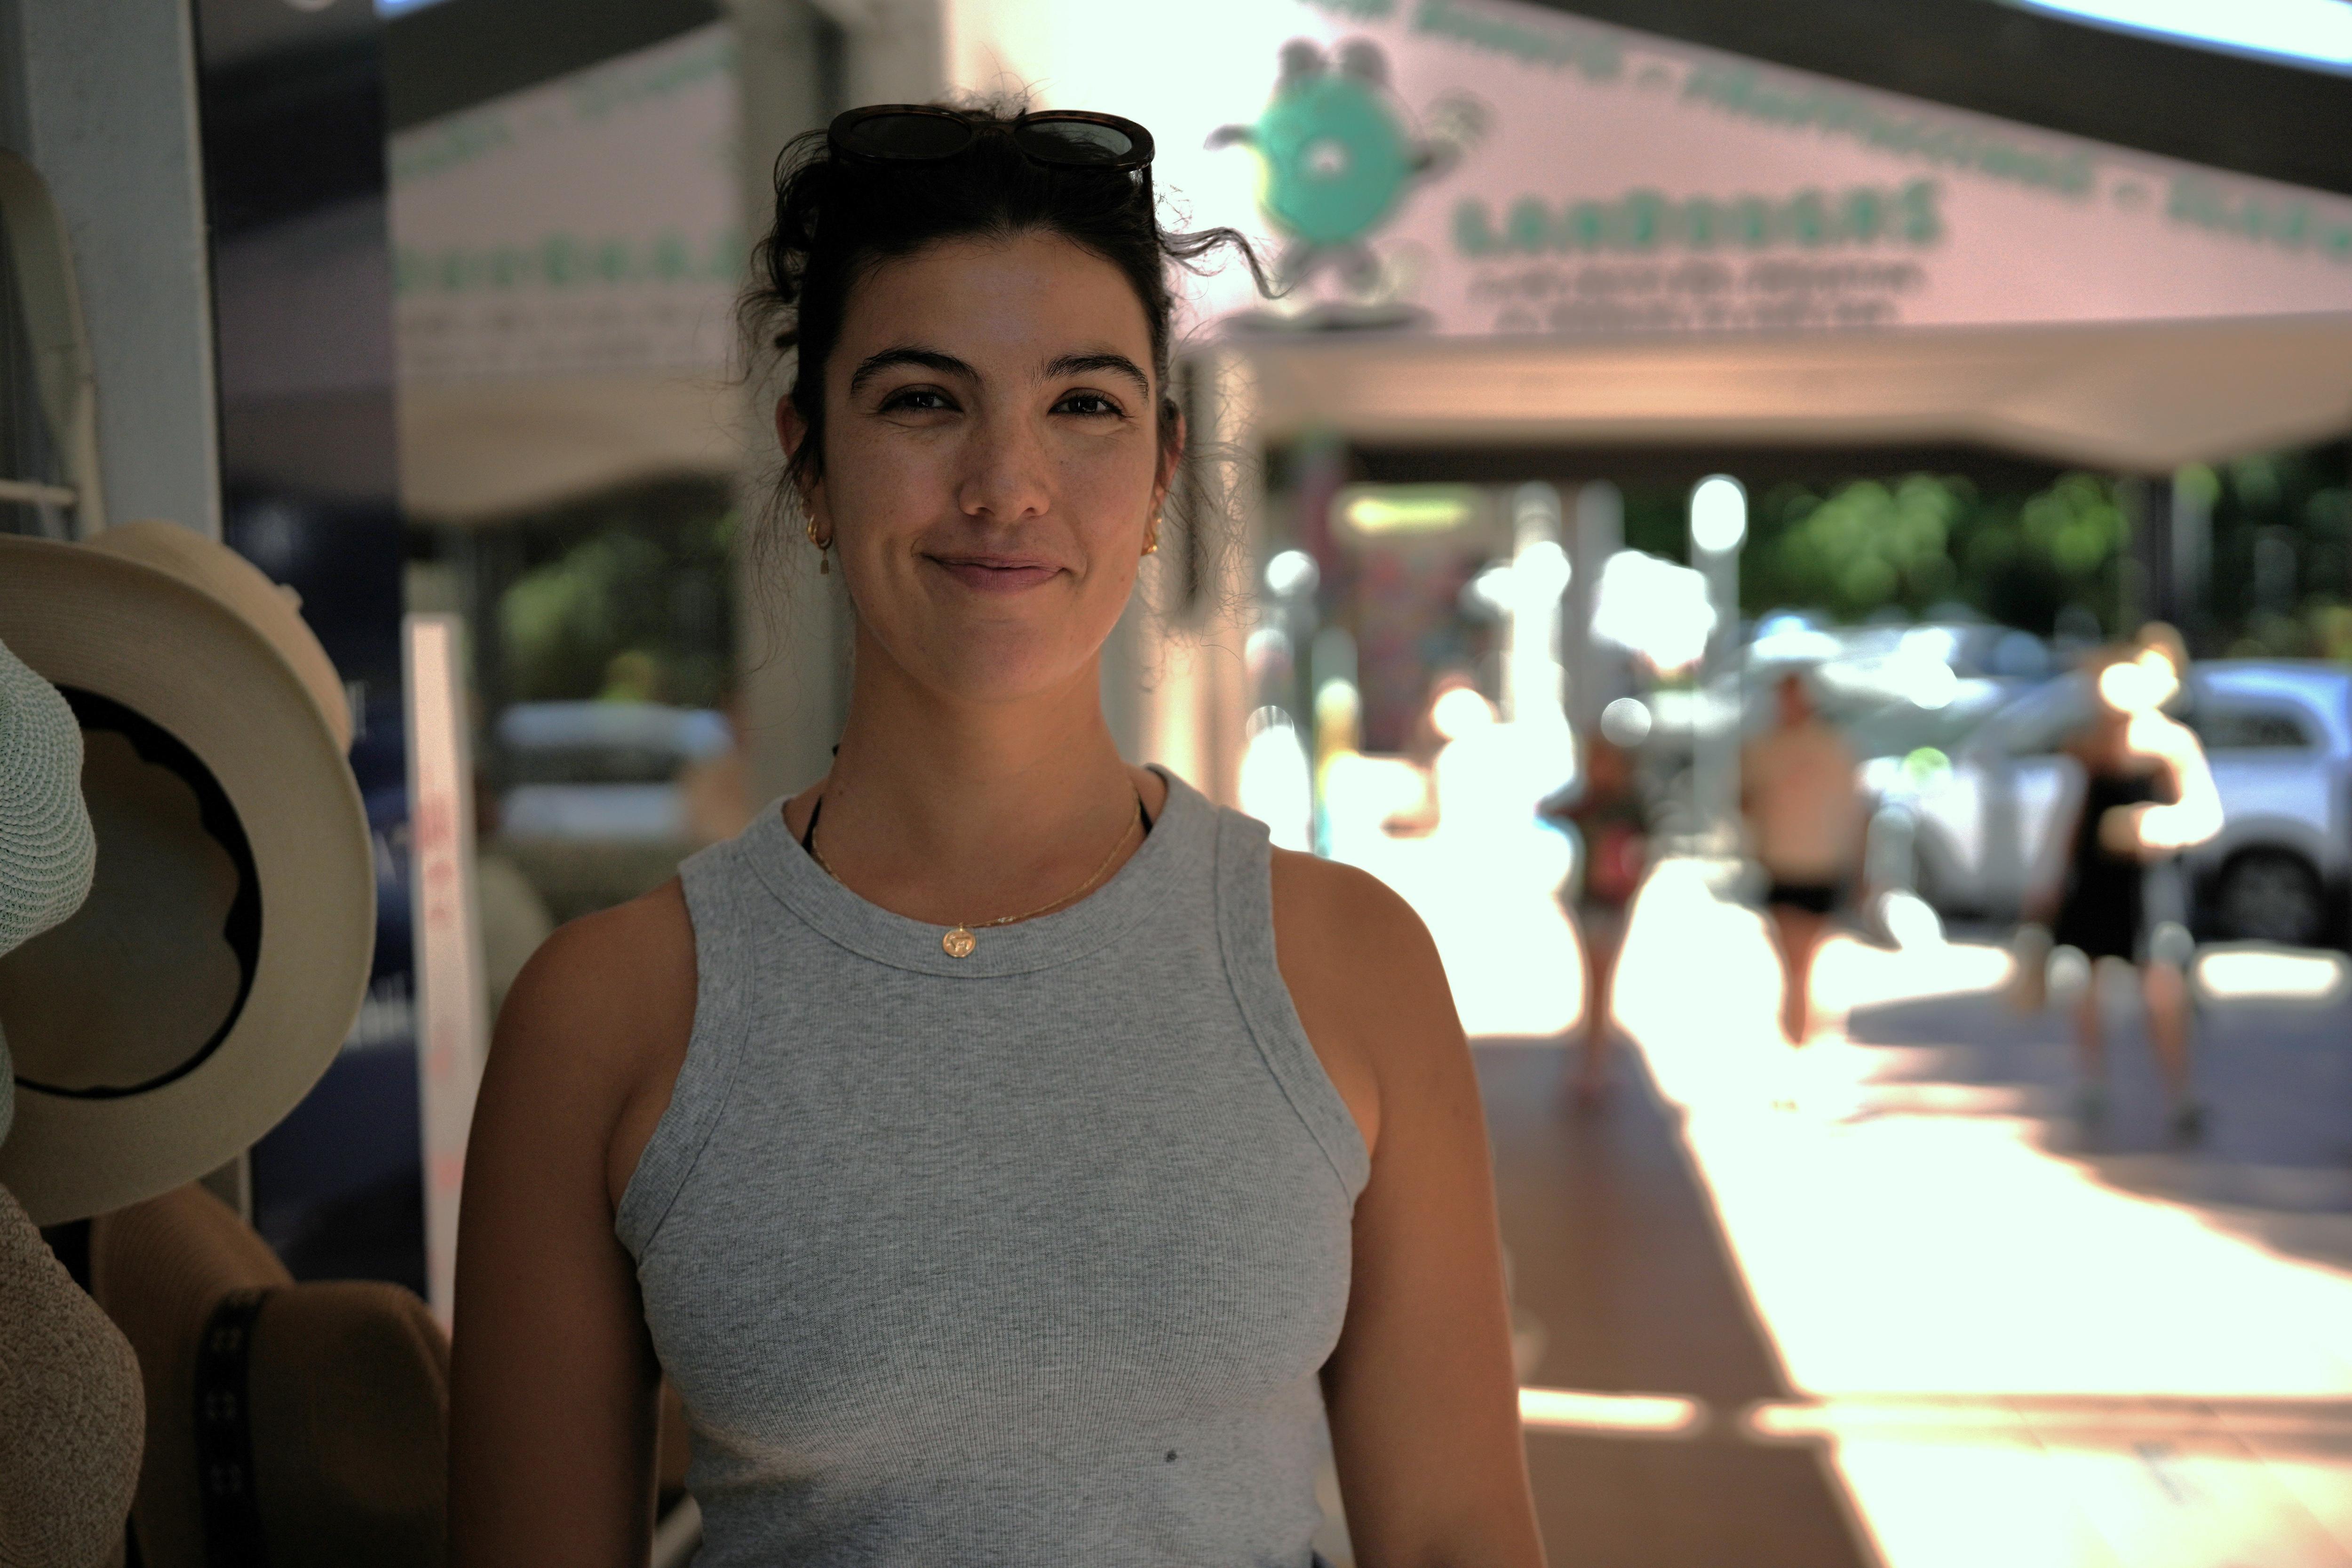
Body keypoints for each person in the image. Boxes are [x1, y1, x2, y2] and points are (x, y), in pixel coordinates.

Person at [452, 102, 1544, 1568]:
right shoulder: (609, 1012)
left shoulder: (1347, 968)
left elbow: (1462, 1536)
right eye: (921, 399)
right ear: (809, 462)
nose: (1006, 484)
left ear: (1161, 471)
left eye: (1082, 404)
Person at [2031, 624, 2219, 1139]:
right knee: (2085, 981)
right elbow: (2071, 815)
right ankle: (2092, 1082)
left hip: (2150, 885)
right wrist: (2049, 876)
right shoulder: (2090, 743)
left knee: (2162, 987)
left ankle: (2179, 1093)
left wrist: (2159, 826)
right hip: (2096, 880)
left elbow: (2206, 812)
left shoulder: (2170, 744)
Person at [1741, 671, 1863, 1050]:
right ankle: (1798, 1027)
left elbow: (1855, 811)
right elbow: (1746, 802)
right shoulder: (1763, 748)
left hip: (1821, 864)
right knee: (1792, 959)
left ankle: (1801, 1028)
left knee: (1804, 959)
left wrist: (1859, 866)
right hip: (1780, 863)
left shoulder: (1834, 746)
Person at [1542, 727, 1648, 1106]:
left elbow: (1644, 852)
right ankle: (1593, 1056)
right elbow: (1548, 808)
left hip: (1612, 902)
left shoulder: (1623, 804)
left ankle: (1595, 1058)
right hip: (1590, 901)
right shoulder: (1596, 802)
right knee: (1595, 979)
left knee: (1601, 981)